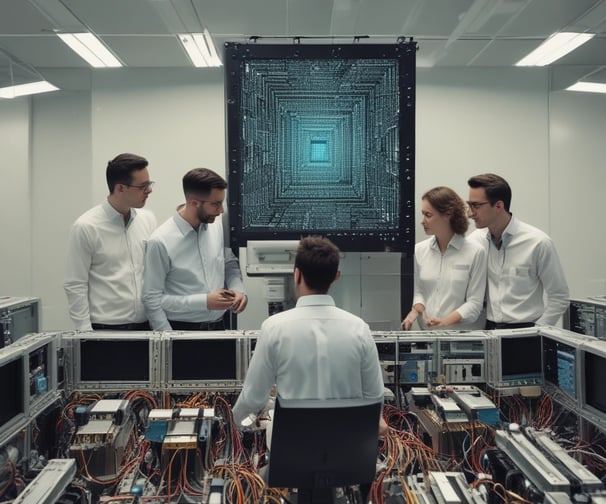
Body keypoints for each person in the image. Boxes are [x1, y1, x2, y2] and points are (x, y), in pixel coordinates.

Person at [232, 236, 385, 435]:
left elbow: (253, 399)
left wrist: (230, 425)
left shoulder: (273, 328)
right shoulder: (359, 328)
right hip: (349, 454)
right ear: (336, 276)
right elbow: (374, 397)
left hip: (289, 453)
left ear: (297, 274)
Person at [143, 168, 247, 331]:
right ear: (193, 203)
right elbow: (152, 299)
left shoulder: (217, 227)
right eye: (215, 204)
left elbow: (228, 263)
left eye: (221, 203)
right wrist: (169, 340)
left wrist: (238, 290)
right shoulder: (160, 241)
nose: (221, 211)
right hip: (181, 332)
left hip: (219, 328)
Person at [64, 153, 157, 331]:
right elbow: (75, 284)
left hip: (146, 327)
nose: (149, 190)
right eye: (143, 186)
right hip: (106, 328)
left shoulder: (148, 220)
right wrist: (85, 333)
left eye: (149, 184)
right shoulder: (86, 227)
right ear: (120, 188)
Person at [467, 173, 569, 328]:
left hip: (527, 332)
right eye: (469, 205)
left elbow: (559, 296)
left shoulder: (538, 243)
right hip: (488, 330)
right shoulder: (475, 241)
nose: (469, 213)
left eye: (476, 206)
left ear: (499, 206)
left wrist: (538, 331)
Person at [402, 186, 487, 331]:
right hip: (427, 337)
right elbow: (420, 292)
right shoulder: (419, 250)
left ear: (448, 214)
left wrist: (444, 322)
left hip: (461, 338)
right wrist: (414, 313)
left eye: (428, 215)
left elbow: (474, 304)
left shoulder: (476, 252)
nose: (422, 221)